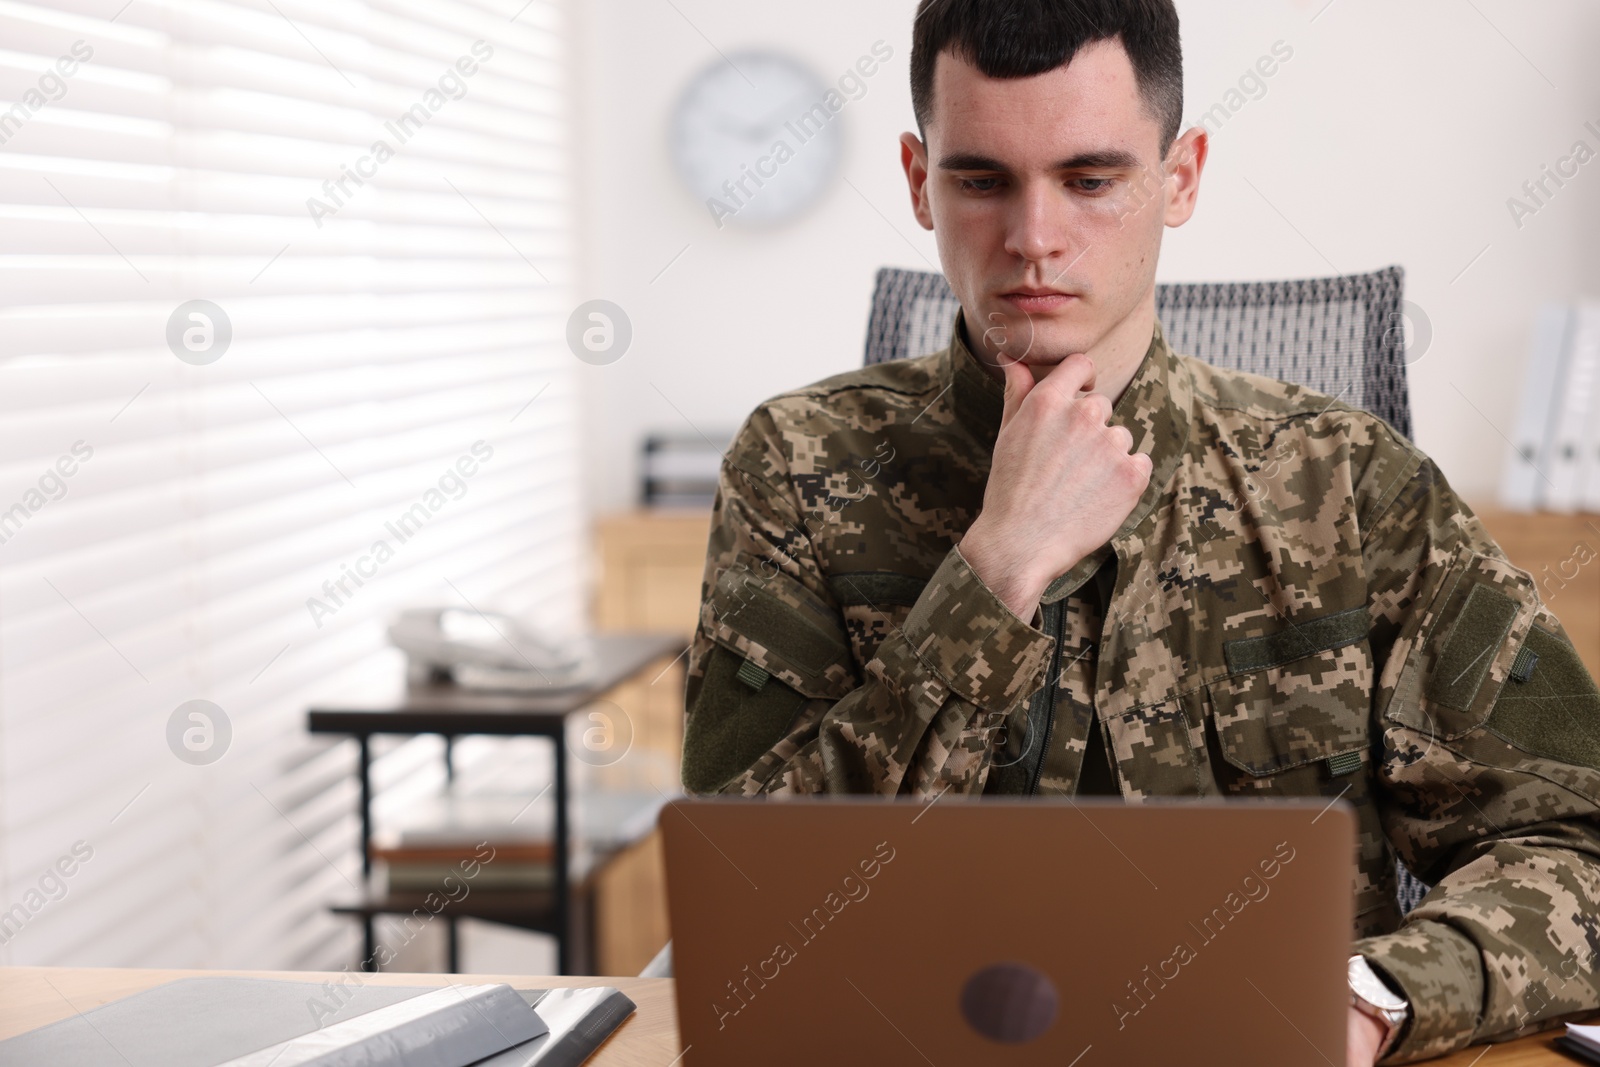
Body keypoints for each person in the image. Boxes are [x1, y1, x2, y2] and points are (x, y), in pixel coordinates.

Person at [678, 1, 1600, 1063]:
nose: (1032, 236)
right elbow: (747, 905)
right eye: (981, 179)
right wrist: (998, 565)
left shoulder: (1346, 480)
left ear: (1182, 176)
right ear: (916, 181)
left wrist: (1372, 996)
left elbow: (1572, 841)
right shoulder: (796, 466)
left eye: (1090, 179)